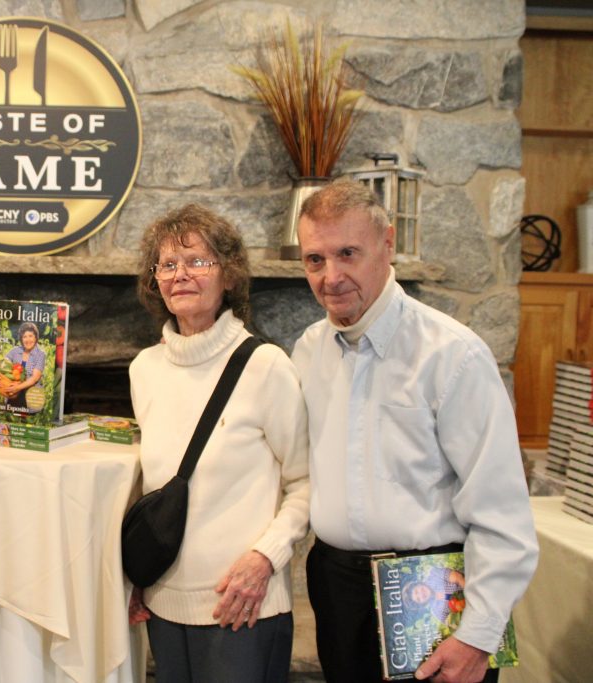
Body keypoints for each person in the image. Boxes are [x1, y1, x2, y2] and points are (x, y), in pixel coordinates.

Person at [290, 180, 538, 683]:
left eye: (348, 253)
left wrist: (478, 634)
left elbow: (502, 510)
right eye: (315, 259)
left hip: (432, 590)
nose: (331, 277)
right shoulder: (308, 351)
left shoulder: (453, 355)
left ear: (388, 244)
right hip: (337, 589)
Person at [128, 203, 310, 683]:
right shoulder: (144, 370)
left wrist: (265, 557)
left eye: (197, 261)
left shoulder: (266, 366)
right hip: (163, 606)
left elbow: (307, 482)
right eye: (167, 264)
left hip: (243, 605)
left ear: (228, 275)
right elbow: (152, 484)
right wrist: (136, 576)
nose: (180, 274)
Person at [0, 321, 46, 414]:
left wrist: (17, 387)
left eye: (30, 336)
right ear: (21, 339)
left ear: (35, 337)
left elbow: (35, 378)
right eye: (25, 336)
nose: (28, 340)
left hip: (30, 398)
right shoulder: (15, 351)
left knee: (28, 419)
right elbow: (0, 362)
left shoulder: (40, 355)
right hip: (12, 396)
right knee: (10, 418)